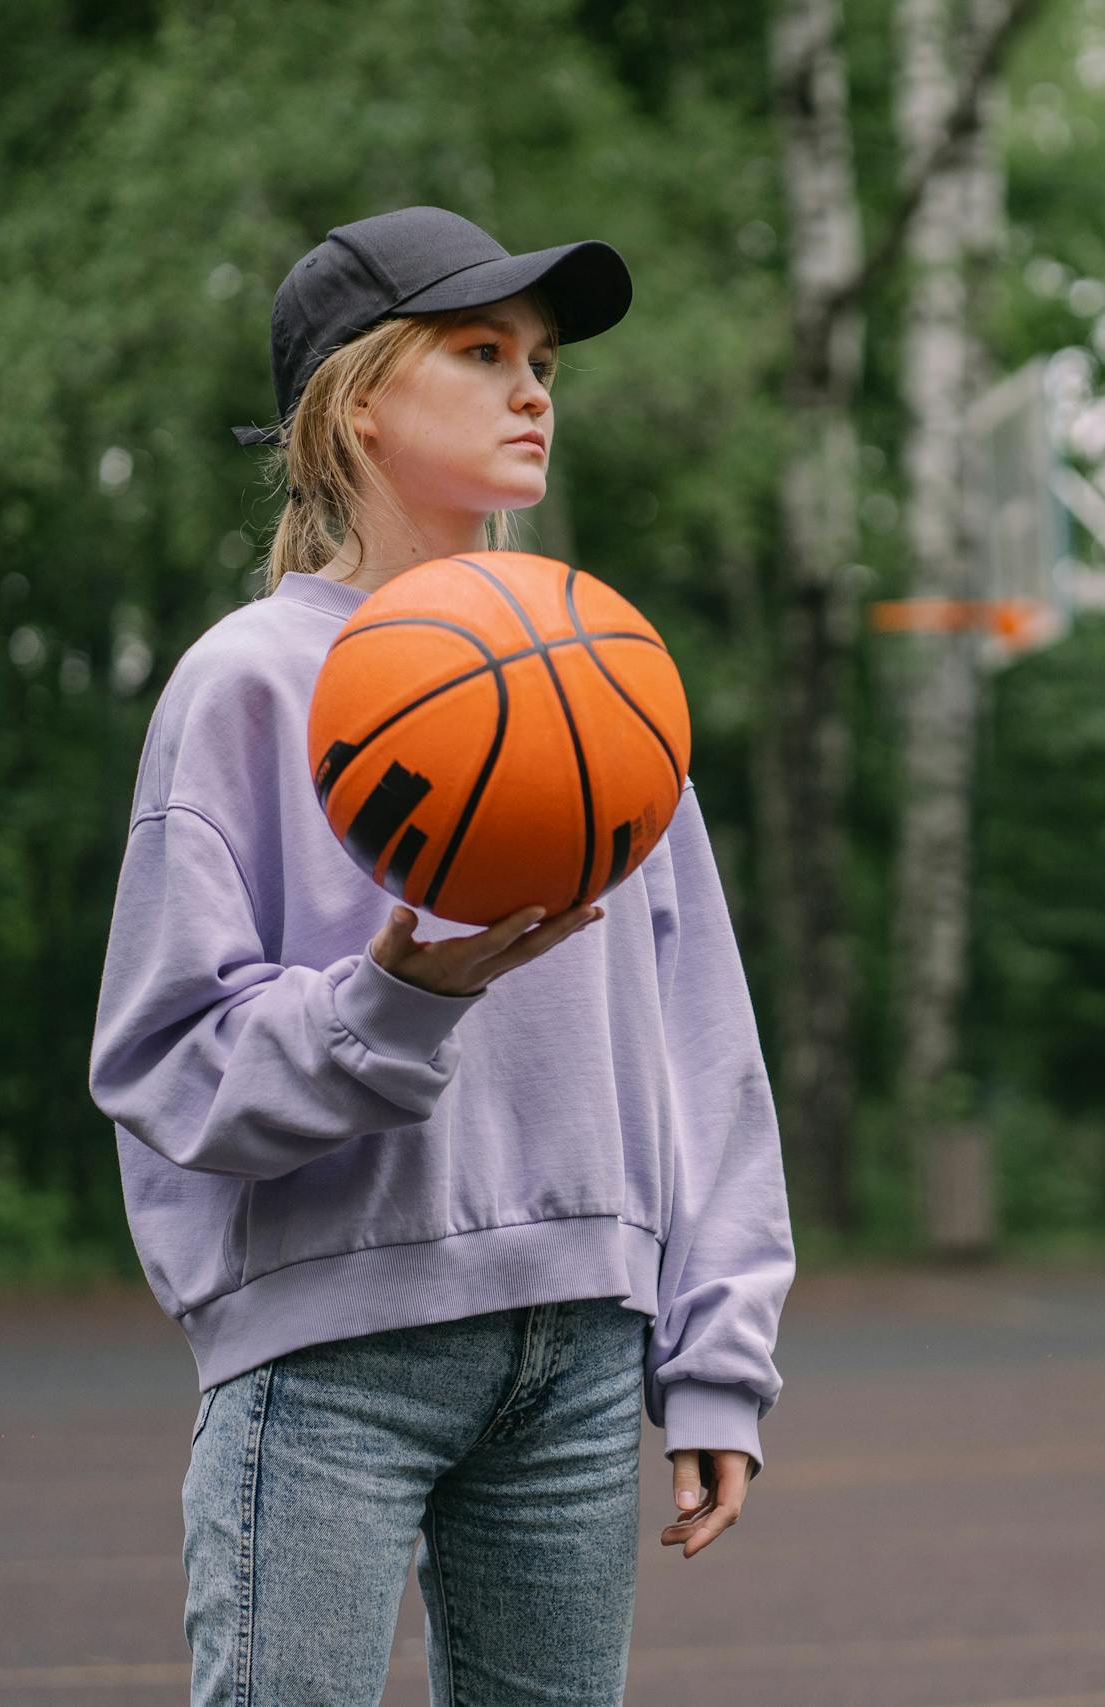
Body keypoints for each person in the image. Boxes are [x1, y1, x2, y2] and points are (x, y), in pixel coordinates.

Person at [85, 206, 796, 1705]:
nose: (535, 387)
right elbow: (164, 1063)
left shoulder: (606, 674)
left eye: (542, 359)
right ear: (356, 401)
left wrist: (716, 1343)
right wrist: (390, 1004)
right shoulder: (250, 684)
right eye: (482, 352)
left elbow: (701, 1035)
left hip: (583, 1359)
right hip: (330, 1358)